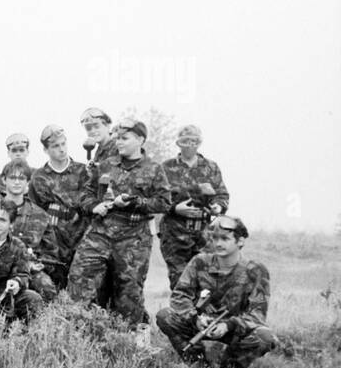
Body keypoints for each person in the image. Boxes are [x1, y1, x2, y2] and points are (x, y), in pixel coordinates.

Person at [66, 120, 172, 324]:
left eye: (125, 138)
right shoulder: (106, 165)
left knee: (128, 294)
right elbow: (85, 195)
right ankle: (77, 334)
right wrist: (94, 206)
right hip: (100, 234)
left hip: (133, 239)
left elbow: (164, 203)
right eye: (117, 138)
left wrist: (133, 203)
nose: (119, 142)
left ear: (140, 139)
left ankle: (129, 342)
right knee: (79, 280)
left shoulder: (154, 169)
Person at [155, 215, 275, 368]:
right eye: (215, 238)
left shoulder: (256, 271)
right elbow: (180, 297)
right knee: (165, 316)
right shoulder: (200, 262)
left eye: (225, 239)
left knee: (265, 337)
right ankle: (199, 366)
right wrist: (195, 318)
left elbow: (257, 314)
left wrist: (228, 325)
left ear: (240, 241)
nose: (218, 244)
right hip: (201, 324)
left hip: (233, 329)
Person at [159, 124, 230, 289]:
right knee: (180, 283)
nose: (190, 144)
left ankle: (202, 315)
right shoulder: (166, 167)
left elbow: (222, 195)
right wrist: (175, 208)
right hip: (174, 234)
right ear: (178, 143)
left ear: (199, 143)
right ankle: (181, 314)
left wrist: (218, 207)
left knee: (207, 282)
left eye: (194, 141)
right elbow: (157, 199)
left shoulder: (210, 167)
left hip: (204, 234)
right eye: (185, 141)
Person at [0, 161, 55, 301]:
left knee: (46, 287)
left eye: (21, 179)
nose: (17, 183)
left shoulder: (41, 216)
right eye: (13, 178)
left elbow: (51, 254)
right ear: (4, 180)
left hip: (27, 271)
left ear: (28, 182)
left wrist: (34, 264)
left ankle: (37, 320)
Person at [27, 124, 90, 292]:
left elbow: (90, 205)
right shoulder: (39, 177)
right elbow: (35, 214)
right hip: (53, 244)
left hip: (81, 239)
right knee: (54, 288)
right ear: (45, 149)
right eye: (55, 146)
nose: (61, 149)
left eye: (63, 144)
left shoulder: (83, 171)